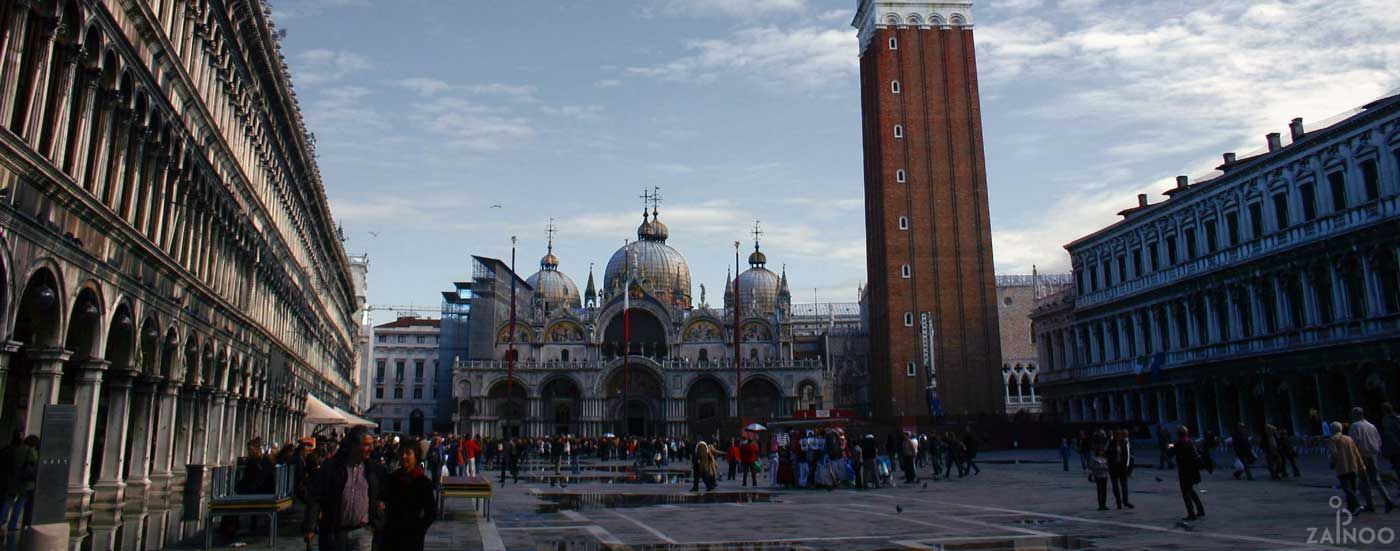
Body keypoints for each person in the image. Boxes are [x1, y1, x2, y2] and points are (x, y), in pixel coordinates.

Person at [310, 427, 383, 551]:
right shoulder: (332, 467)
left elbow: (383, 497)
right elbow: (316, 497)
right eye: (366, 445)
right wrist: (310, 526)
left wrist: (378, 521)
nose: (371, 449)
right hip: (335, 530)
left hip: (363, 532)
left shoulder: (374, 470)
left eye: (371, 445)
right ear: (354, 446)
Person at [382, 438, 436, 551]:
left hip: (412, 536)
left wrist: (420, 529)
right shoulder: (392, 478)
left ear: (416, 457)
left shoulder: (423, 482)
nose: (404, 457)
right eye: (402, 453)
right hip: (391, 535)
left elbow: (431, 512)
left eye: (408, 453)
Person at [1347, 407, 1395, 513]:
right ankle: (1387, 499)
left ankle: (1370, 504)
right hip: (1373, 454)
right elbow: (1379, 440)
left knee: (1364, 480)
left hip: (1361, 455)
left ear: (1355, 415)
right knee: (1376, 479)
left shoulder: (1355, 426)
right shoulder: (1371, 426)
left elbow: (1353, 442)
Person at [0, 434, 37, 532]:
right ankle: (12, 525)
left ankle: (1, 520)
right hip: (25, 483)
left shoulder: (16, 450)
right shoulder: (31, 451)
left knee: (8, 501)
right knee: (20, 503)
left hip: (13, 480)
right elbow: (34, 463)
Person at [1328, 421, 1366, 516]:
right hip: (1353, 466)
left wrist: (1332, 463)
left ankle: (1357, 505)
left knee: (1347, 488)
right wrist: (1361, 465)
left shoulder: (1333, 439)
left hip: (1342, 467)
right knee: (1352, 488)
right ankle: (1350, 509)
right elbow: (1356, 452)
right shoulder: (1349, 438)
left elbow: (1334, 454)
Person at [1169, 426, 1205, 521]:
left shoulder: (1179, 444)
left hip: (1184, 471)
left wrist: (1169, 446)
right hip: (1193, 471)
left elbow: (1169, 453)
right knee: (1190, 490)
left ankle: (1191, 513)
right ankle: (1200, 510)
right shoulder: (1190, 442)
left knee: (1186, 493)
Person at [1105, 429, 1134, 509]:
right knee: (1116, 486)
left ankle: (1125, 501)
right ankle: (1119, 502)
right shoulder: (1111, 442)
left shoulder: (1124, 443)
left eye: (1120, 435)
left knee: (1123, 485)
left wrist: (1127, 467)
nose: (1119, 436)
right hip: (1114, 467)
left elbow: (1127, 456)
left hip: (1121, 467)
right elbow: (1106, 453)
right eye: (1117, 435)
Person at [1382, 402, 1400, 483]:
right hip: (1395, 447)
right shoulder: (1397, 417)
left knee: (1398, 468)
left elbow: (1389, 436)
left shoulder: (1386, 420)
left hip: (1394, 448)